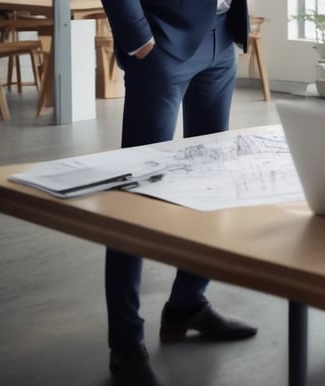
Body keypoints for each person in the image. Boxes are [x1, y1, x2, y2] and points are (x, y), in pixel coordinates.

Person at [99, 1, 256, 385]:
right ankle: (125, 341)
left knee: (209, 179)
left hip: (221, 38)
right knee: (136, 194)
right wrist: (138, 39)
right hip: (162, 42)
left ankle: (188, 302)